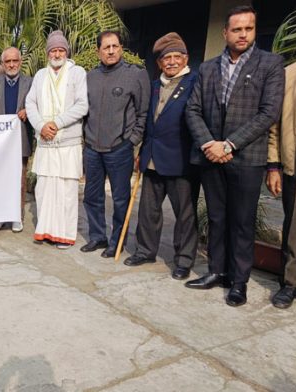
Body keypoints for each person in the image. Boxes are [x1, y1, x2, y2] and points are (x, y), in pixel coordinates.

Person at [185, 5, 284, 307]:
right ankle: (216, 271)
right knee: (216, 217)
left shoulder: (271, 64)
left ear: (254, 30)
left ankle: (238, 281)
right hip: (211, 156)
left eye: (248, 28)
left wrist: (228, 145)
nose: (243, 34)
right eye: (237, 29)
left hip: (245, 158)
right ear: (225, 32)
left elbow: (269, 113)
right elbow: (193, 109)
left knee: (241, 222)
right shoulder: (208, 67)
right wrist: (209, 144)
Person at [123, 33, 200, 280]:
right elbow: (147, 121)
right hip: (152, 158)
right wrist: (140, 153)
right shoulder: (154, 85)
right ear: (159, 63)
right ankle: (145, 250)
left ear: (186, 58)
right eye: (166, 58)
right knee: (148, 211)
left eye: (177, 57)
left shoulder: (195, 82)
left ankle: (183, 260)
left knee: (184, 215)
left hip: (181, 161)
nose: (172, 62)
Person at [81, 30, 150, 258]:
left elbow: (143, 112)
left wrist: (131, 140)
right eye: (106, 47)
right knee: (92, 196)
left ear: (121, 48)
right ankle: (97, 236)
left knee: (120, 199)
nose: (111, 51)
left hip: (119, 148)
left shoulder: (135, 75)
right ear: (98, 51)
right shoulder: (89, 77)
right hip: (92, 148)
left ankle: (116, 241)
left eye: (115, 46)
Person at [25, 30, 88, 249]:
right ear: (48, 53)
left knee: (66, 191)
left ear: (66, 51)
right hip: (45, 141)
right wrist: (41, 125)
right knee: (44, 190)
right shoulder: (41, 75)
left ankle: (65, 235)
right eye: (53, 50)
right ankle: (46, 232)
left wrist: (57, 123)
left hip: (67, 142)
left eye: (61, 49)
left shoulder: (77, 72)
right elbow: (30, 103)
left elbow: (82, 104)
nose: (57, 53)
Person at [267, 55, 296, 308]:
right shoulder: (291, 73)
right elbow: (275, 125)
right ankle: (290, 283)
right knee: (295, 224)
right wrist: (273, 165)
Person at [0, 47, 33, 233]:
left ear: (20, 62)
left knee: (19, 180)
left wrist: (29, 111)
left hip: (21, 139)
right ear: (2, 64)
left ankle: (16, 216)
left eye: (15, 61)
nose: (11, 65)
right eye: (8, 61)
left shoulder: (31, 83)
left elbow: (38, 106)